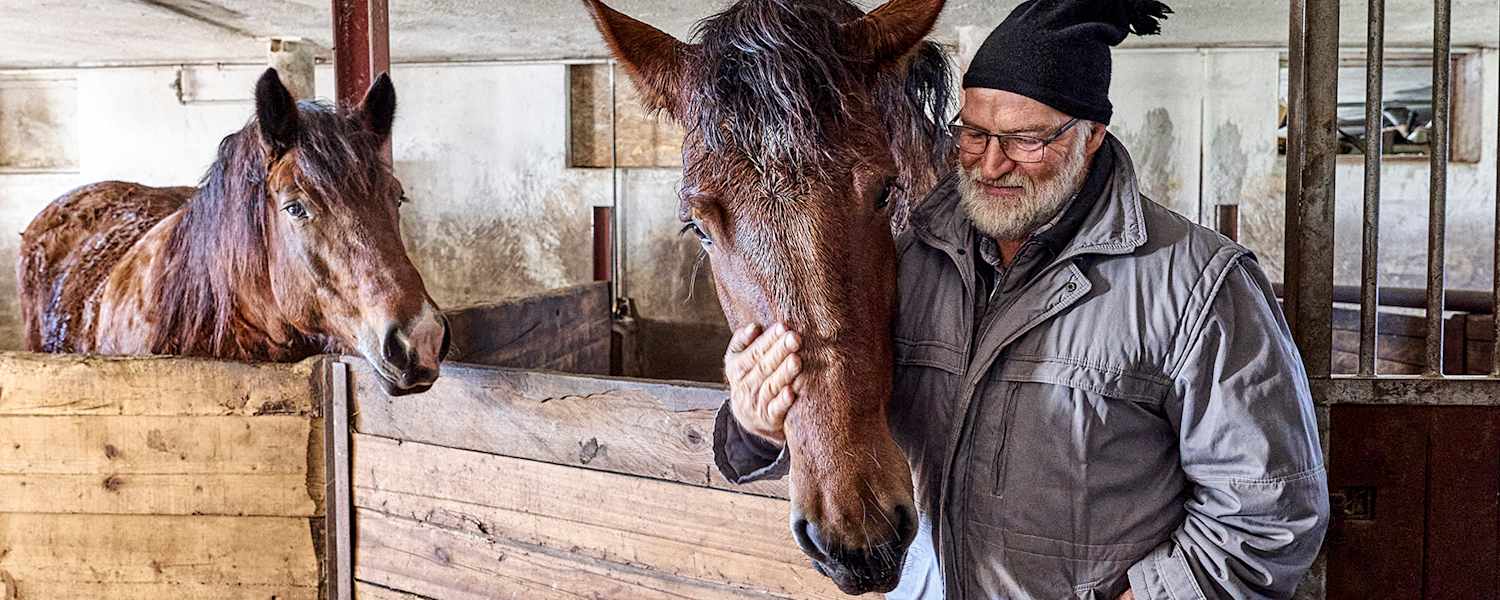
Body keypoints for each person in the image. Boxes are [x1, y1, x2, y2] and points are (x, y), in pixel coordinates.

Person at [711, 0, 1330, 598]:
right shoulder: (910, 250)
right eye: (973, 132)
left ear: (1090, 136)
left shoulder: (1199, 284)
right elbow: (840, 400)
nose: (990, 163)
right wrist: (754, 425)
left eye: (1025, 139)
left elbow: (1270, 514)